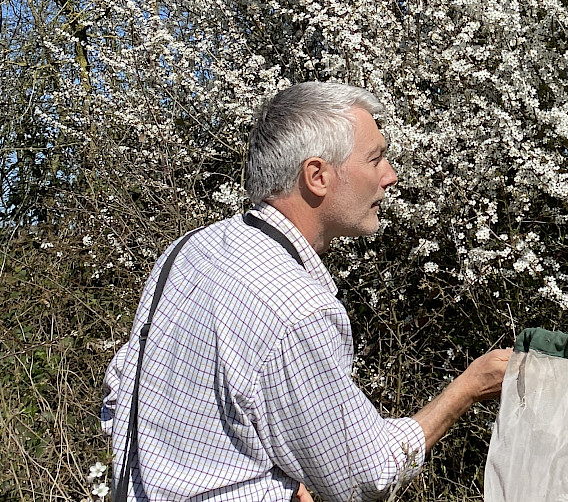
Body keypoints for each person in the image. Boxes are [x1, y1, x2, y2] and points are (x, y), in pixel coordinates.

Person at [102, 81, 511, 501]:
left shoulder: (190, 250)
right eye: (375, 159)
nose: (390, 176)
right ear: (317, 176)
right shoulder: (297, 308)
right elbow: (366, 475)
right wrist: (468, 387)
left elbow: (124, 397)